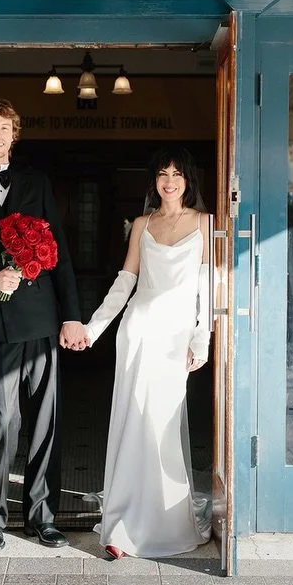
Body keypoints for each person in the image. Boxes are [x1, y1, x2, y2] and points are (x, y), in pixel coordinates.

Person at [0, 95, 86, 552]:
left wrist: (70, 315)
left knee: (46, 420)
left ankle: (42, 517)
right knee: (2, 419)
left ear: (14, 136)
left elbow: (59, 251)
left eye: (5, 129)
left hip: (43, 318)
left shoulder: (36, 182)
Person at [78, 147, 213, 559]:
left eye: (176, 174)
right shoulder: (141, 223)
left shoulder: (207, 223)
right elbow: (125, 282)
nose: (169, 181)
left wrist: (201, 338)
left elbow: (209, 286)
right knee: (132, 420)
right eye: (161, 173)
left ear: (188, 180)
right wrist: (93, 328)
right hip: (137, 332)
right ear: (154, 180)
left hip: (175, 338)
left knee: (163, 425)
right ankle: (122, 525)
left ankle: (163, 523)